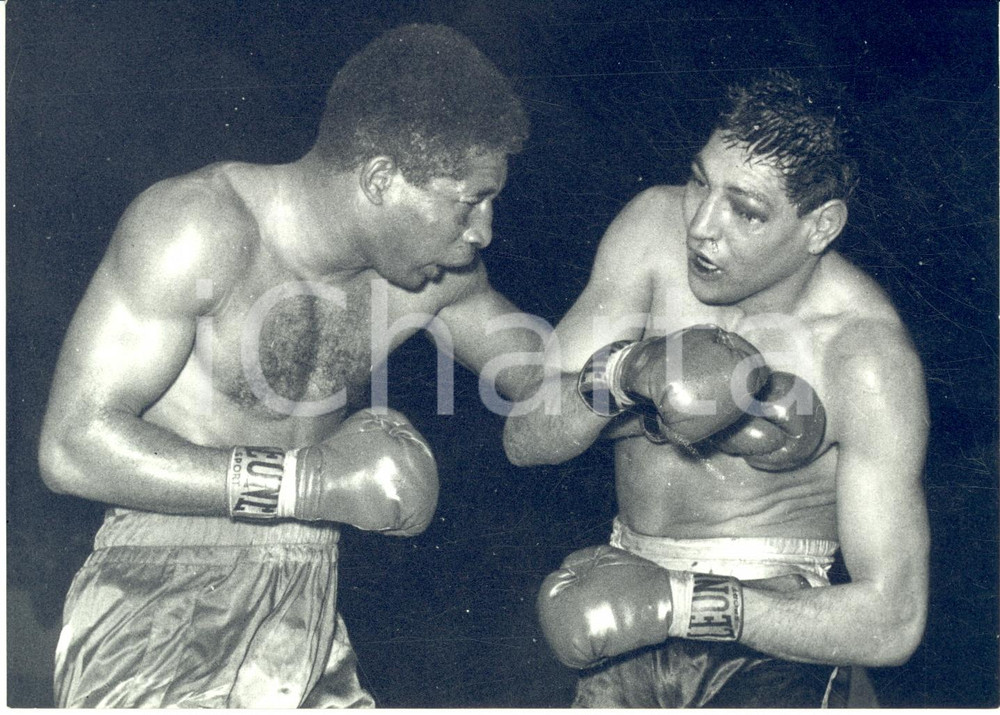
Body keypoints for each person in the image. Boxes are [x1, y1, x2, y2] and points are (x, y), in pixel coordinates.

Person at [38, 23, 541, 708]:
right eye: (468, 201)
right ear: (382, 178)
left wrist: (637, 373)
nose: (483, 231)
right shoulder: (197, 227)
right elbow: (71, 446)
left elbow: (548, 381)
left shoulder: (428, 277)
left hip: (307, 603)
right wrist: (305, 482)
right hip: (157, 591)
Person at [503, 70, 930, 707]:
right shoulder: (650, 233)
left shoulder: (862, 356)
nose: (701, 225)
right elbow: (523, 437)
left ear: (819, 227)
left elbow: (895, 618)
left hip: (774, 640)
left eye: (746, 210)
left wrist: (680, 605)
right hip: (621, 599)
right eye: (701, 181)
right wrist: (622, 374)